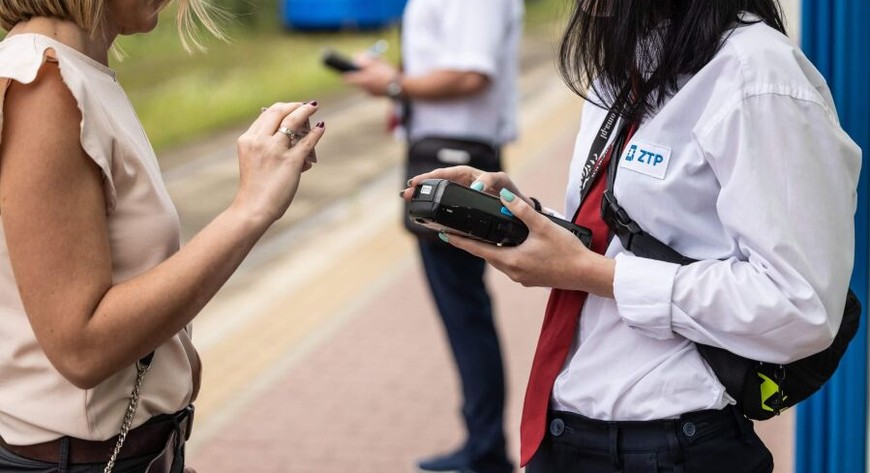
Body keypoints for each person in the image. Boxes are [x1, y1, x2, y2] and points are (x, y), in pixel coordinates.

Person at [402, 0, 861, 472]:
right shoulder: (625, 65)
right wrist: (531, 218)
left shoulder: (758, 77)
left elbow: (800, 305)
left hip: (673, 445)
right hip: (568, 431)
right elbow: (638, 233)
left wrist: (599, 275)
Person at [0, 1, 324, 472]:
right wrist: (251, 209)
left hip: (132, 451)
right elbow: (81, 347)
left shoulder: (77, 73)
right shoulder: (43, 83)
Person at [342, 0, 523, 472]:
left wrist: (395, 84)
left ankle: (486, 450)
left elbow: (471, 74)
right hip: (441, 149)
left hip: (457, 157)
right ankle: (482, 442)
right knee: (463, 308)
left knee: (466, 311)